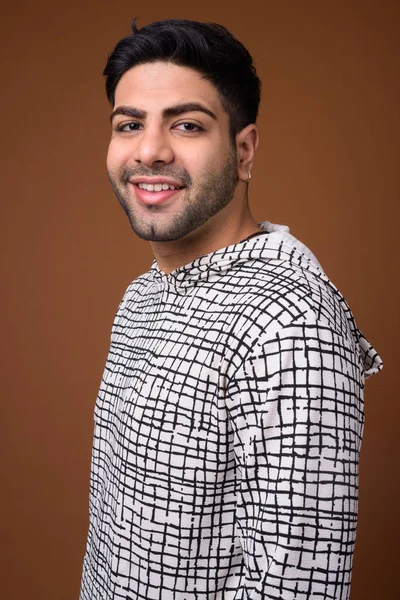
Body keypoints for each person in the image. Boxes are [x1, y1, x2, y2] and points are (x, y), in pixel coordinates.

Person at [80, 19, 382, 600]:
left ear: (243, 151)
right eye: (129, 125)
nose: (149, 150)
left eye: (187, 124)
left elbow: (299, 588)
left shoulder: (289, 319)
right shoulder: (141, 296)